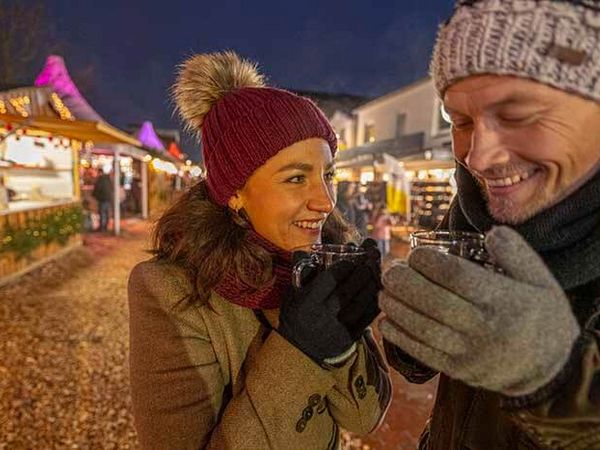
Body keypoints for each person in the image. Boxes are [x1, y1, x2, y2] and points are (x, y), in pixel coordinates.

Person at [128, 51, 391, 450]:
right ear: (235, 193)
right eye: (296, 177)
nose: (325, 201)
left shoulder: (329, 261)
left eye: (328, 174)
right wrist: (301, 351)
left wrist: (344, 339)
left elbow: (363, 416)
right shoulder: (169, 290)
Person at [379, 1, 600, 448]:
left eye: (517, 116)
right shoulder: (473, 207)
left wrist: (556, 380)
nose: (477, 157)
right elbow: (441, 379)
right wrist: (414, 339)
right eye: (459, 120)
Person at [92, 167, 112, 232]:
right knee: (106, 213)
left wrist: (94, 195)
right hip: (108, 198)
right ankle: (105, 226)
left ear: (100, 172)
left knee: (102, 213)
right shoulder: (108, 179)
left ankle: (102, 228)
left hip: (102, 199)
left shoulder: (100, 180)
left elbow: (97, 189)